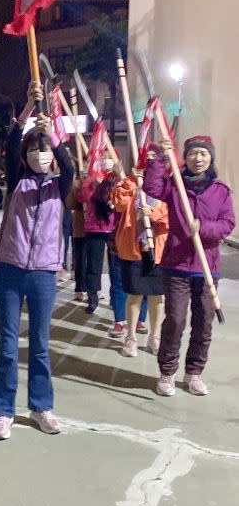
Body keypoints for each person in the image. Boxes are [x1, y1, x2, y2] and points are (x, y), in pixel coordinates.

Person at [0, 82, 74, 440]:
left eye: (45, 152)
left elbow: (70, 166)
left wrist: (51, 136)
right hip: (10, 269)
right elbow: (11, 144)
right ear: (26, 157)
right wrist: (26, 110)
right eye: (35, 151)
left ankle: (41, 406)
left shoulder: (60, 185)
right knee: (8, 344)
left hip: (43, 272)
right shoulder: (17, 181)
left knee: (40, 344)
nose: (41, 157)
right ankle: (3, 411)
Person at [143, 135, 235, 396]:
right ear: (185, 157)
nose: (198, 158)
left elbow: (228, 223)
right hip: (177, 266)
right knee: (175, 320)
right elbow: (151, 187)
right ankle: (167, 373)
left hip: (207, 266)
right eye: (193, 153)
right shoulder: (175, 186)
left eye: (203, 154)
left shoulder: (220, 190)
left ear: (210, 158)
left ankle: (194, 372)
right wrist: (162, 157)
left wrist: (203, 228)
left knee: (204, 322)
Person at [111, 144, 168, 356]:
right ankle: (131, 337)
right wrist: (131, 181)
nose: (150, 162)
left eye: (155, 158)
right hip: (133, 249)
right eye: (147, 158)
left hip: (158, 250)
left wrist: (153, 212)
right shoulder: (131, 182)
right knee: (134, 294)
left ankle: (155, 336)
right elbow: (118, 202)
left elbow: (172, 215)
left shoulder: (167, 185)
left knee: (156, 296)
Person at [77, 154, 119, 314]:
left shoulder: (118, 179)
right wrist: (91, 183)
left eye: (110, 158)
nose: (106, 161)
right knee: (94, 266)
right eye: (104, 158)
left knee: (115, 267)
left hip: (114, 228)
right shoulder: (91, 179)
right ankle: (92, 298)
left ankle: (115, 299)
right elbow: (83, 198)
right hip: (94, 228)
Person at [66, 165, 87, 302]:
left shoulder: (99, 181)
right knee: (80, 259)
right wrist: (78, 189)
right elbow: (70, 203)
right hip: (80, 228)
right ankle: (79, 288)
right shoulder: (76, 184)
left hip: (96, 229)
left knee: (92, 261)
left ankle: (93, 289)